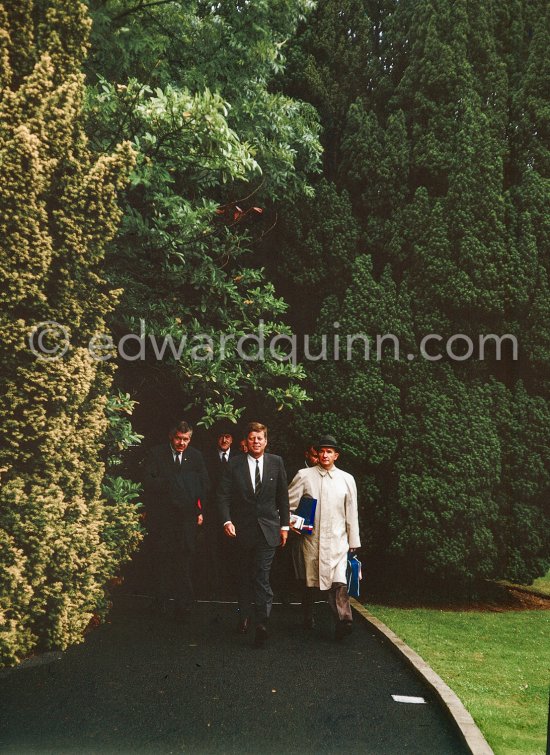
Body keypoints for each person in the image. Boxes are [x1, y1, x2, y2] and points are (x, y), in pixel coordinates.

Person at [217, 421, 289, 647]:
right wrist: (227, 520)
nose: (256, 442)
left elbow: (283, 497)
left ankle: (262, 623)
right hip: (242, 530)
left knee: (262, 575)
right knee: (244, 576)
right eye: (252, 438)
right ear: (246, 442)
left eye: (260, 438)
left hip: (268, 530)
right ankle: (244, 615)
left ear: (266, 441)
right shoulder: (234, 464)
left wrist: (284, 526)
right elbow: (223, 496)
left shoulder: (276, 463)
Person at [288, 434, 360, 639]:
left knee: (338, 583)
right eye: (322, 451)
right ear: (316, 454)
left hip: (338, 541)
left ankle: (344, 621)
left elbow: (351, 511)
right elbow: (288, 504)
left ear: (336, 455)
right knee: (309, 582)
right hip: (311, 540)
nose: (325, 455)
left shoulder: (347, 479)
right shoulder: (304, 475)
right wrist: (294, 524)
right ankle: (307, 615)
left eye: (329, 451)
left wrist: (353, 541)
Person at [144, 420, 209, 620]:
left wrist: (198, 509)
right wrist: (175, 485)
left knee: (184, 563)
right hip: (163, 518)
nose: (182, 443)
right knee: (162, 562)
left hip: (186, 519)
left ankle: (183, 606)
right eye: (179, 439)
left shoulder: (196, 456)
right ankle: (160, 604)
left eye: (186, 439)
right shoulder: (157, 454)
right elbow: (148, 481)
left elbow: (205, 484)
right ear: (171, 437)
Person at [201, 422, 238, 595]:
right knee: (212, 546)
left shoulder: (238, 458)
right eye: (222, 436)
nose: (224, 440)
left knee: (231, 547)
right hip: (211, 510)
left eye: (228, 437)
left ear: (232, 439)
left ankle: (230, 583)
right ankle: (213, 585)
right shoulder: (207, 458)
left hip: (233, 511)